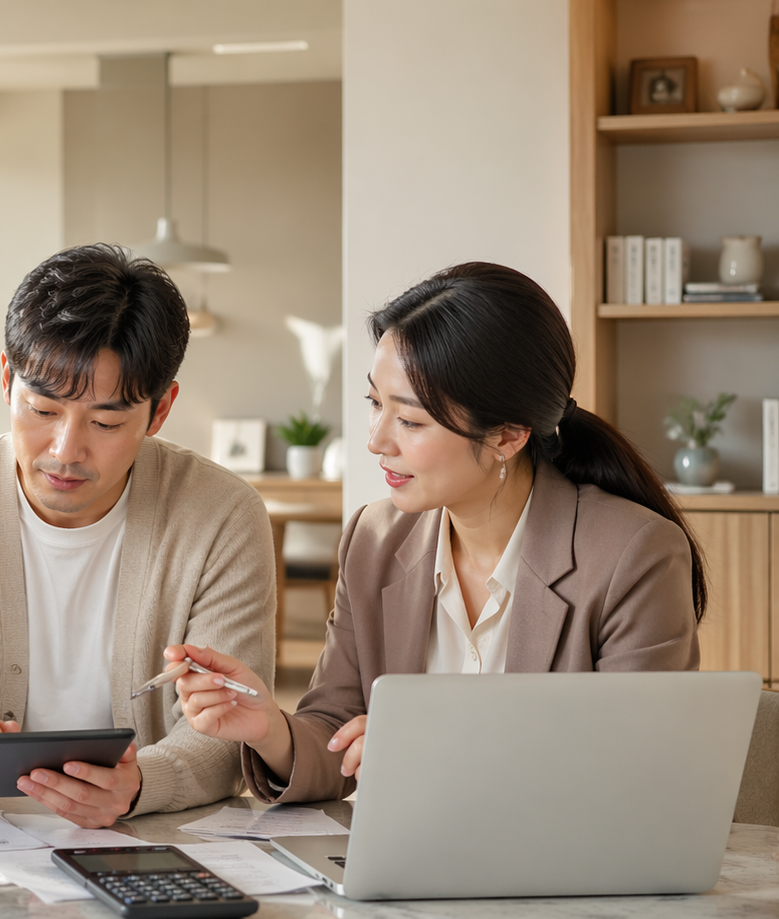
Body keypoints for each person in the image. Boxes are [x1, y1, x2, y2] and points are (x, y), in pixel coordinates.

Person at [170, 262, 702, 803]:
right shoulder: (374, 540)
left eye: (411, 420)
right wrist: (268, 727)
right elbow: (340, 733)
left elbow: (632, 776)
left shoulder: (633, 554)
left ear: (508, 434)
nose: (377, 440)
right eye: (375, 404)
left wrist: (432, 749)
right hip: (410, 868)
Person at [0, 244, 278, 827]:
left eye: (105, 422)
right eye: (43, 410)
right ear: (6, 379)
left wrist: (139, 784)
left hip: (147, 834)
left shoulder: (221, 515)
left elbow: (231, 728)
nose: (65, 452)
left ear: (160, 410)